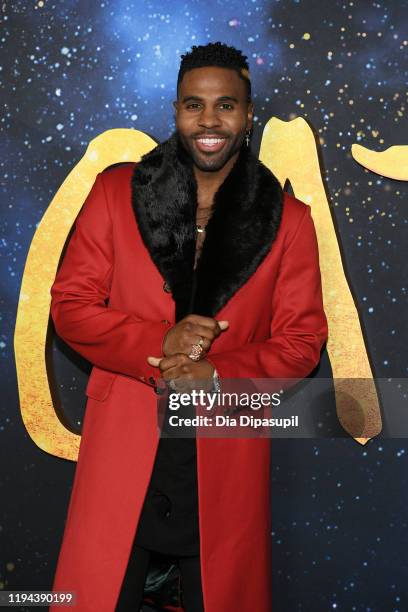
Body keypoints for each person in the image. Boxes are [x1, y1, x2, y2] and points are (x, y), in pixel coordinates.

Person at [50, 42, 328, 611]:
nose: (209, 120)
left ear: (248, 116)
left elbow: (302, 344)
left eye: (225, 105)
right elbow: (71, 306)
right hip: (124, 442)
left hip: (223, 450)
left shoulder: (290, 221)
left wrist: (217, 371)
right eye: (193, 105)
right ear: (175, 111)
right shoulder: (115, 191)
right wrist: (160, 340)